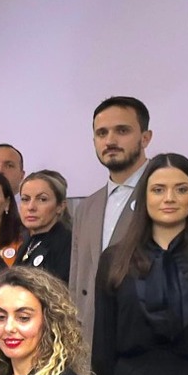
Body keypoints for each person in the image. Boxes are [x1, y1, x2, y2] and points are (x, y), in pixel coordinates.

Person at [94, 153, 188, 375]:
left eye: (181, 189)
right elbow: (103, 344)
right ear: (143, 197)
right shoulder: (114, 259)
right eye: (158, 190)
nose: (169, 198)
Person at [70, 97, 153, 336]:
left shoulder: (178, 192)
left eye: (122, 131)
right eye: (102, 133)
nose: (110, 141)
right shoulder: (86, 208)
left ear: (145, 138)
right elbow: (77, 285)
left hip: (150, 340)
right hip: (92, 341)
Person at [16, 170, 72, 280]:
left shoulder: (66, 244)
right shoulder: (27, 242)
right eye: (25, 199)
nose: (31, 207)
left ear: (60, 206)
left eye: (42, 199)